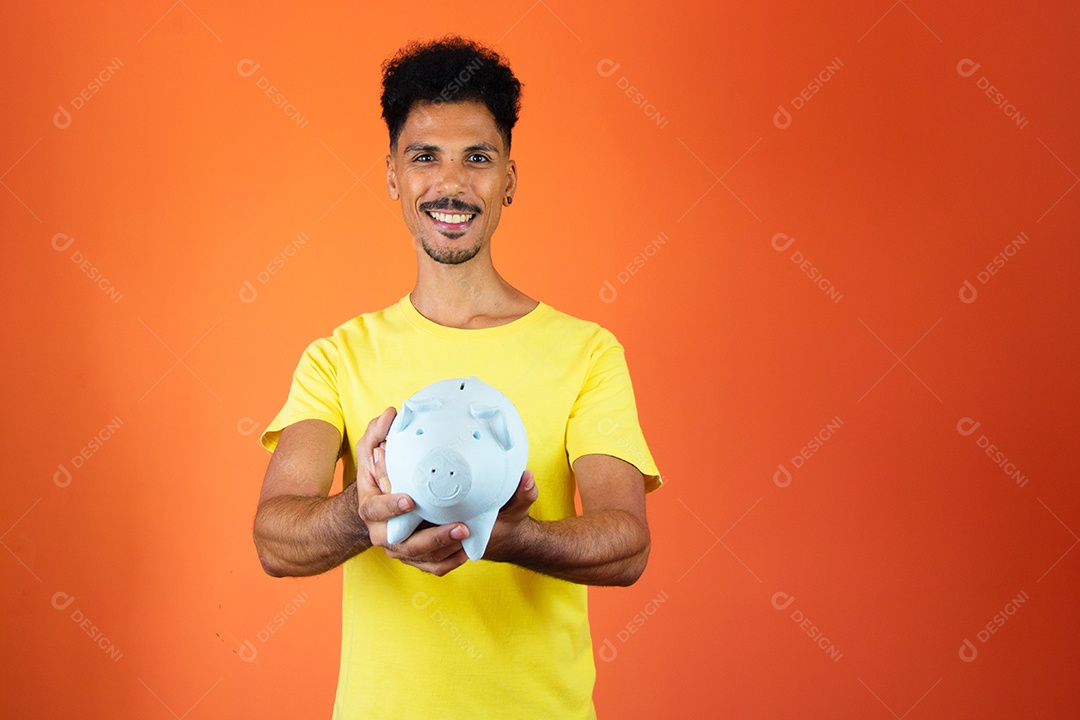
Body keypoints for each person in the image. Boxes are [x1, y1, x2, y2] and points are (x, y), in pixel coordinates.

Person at [253, 35, 661, 719]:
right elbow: (274, 538)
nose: (450, 183)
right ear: (392, 176)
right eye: (424, 157)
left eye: (477, 157)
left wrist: (512, 539)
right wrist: (360, 513)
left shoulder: (587, 352)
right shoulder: (338, 356)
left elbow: (626, 544)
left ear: (509, 179)